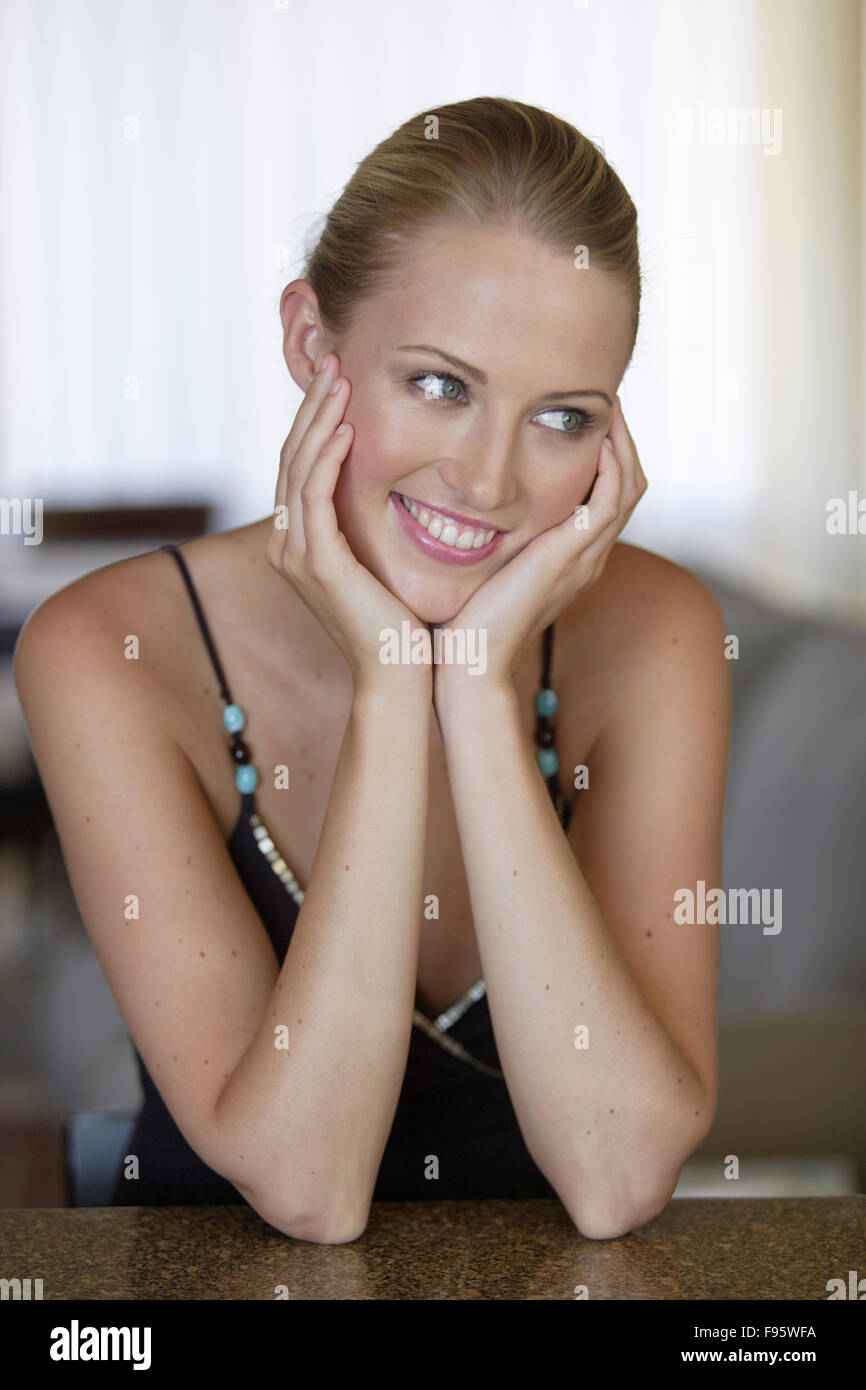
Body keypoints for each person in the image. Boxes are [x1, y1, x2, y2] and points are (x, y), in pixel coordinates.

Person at [13, 96, 730, 1244]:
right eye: (439, 386)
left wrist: (478, 691)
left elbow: (618, 1175)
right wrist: (395, 685)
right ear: (311, 344)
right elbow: (308, 1186)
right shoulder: (107, 646)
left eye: (559, 415)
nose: (488, 481)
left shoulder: (659, 630)